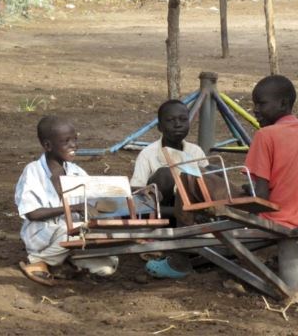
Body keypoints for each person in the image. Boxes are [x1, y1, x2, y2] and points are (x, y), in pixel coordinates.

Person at [15, 116, 118, 287]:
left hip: (73, 237)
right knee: (71, 230)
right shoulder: (32, 172)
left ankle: (60, 263)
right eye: (66, 141)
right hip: (42, 236)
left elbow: (95, 202)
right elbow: (32, 213)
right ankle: (38, 261)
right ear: (48, 146)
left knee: (108, 266)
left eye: (75, 139)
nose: (74, 145)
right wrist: (70, 208)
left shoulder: (78, 172)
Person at [245, 75, 298, 229]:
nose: (255, 110)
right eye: (254, 104)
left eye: (261, 104)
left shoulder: (265, 135)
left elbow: (261, 195)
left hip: (280, 223)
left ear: (283, 104)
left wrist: (246, 226)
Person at [130, 99, 207, 224]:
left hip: (193, 207)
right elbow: (136, 192)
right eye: (170, 120)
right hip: (161, 212)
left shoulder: (196, 152)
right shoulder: (148, 154)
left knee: (210, 172)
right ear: (159, 127)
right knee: (166, 174)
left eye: (183, 119)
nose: (178, 124)